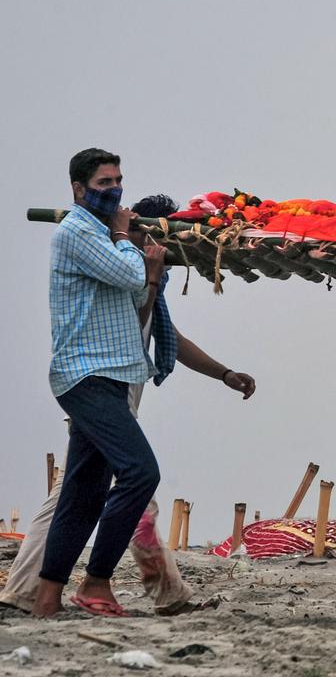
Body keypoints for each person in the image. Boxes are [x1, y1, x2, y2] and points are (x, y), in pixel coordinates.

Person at [1, 194, 257, 616]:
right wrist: (150, 278)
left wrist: (224, 374)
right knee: (130, 486)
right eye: (143, 232)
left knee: (78, 494)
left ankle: (32, 593)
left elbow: (165, 332)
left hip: (116, 397)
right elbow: (133, 324)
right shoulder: (118, 272)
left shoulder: (136, 272)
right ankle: (135, 591)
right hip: (97, 392)